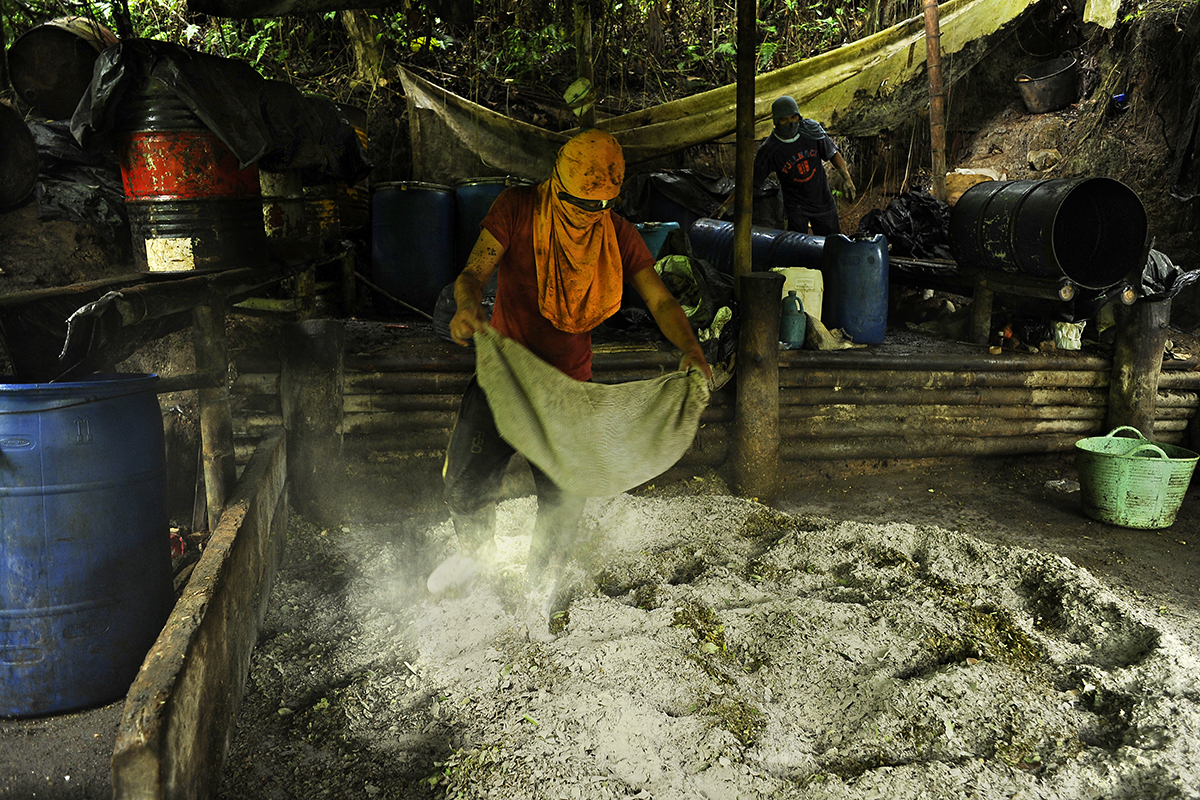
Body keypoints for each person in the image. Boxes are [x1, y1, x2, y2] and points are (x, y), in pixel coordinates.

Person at [443, 128, 712, 583]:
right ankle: (478, 567)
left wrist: (690, 348)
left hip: (568, 391)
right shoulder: (517, 208)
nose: (593, 213)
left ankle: (540, 588)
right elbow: (473, 272)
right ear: (558, 184)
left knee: (562, 506)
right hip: (504, 376)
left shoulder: (618, 233)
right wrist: (467, 306)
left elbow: (661, 300)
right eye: (583, 203)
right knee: (464, 487)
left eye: (603, 205)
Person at [718, 95, 855, 235]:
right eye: (784, 119)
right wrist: (726, 205)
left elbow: (832, 153)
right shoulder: (770, 149)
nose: (790, 123)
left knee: (832, 242)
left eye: (793, 117)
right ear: (776, 121)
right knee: (797, 245)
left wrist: (847, 178)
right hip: (796, 209)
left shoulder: (811, 131)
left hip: (822, 202)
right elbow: (750, 183)